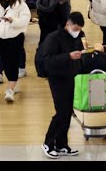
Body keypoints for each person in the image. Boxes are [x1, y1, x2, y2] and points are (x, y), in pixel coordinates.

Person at [40, 12, 99, 158]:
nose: (77, 32)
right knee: (61, 112)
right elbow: (47, 61)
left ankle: (61, 144)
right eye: (76, 28)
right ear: (68, 24)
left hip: (70, 77)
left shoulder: (78, 36)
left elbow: (80, 53)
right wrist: (68, 56)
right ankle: (48, 143)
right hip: (57, 78)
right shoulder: (53, 38)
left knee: (67, 112)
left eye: (79, 29)